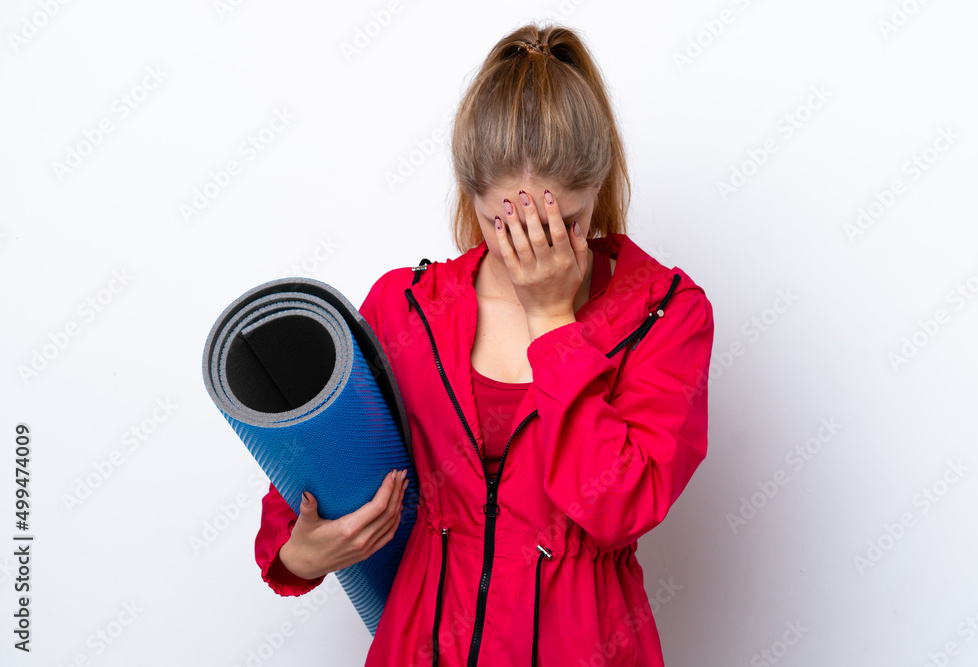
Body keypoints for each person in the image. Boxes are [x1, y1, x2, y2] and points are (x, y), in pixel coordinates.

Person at [254, 21, 714, 667]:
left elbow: (618, 505)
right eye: (509, 223)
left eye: (564, 223)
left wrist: (553, 321)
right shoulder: (405, 308)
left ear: (597, 190)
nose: (536, 246)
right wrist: (299, 552)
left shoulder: (668, 313)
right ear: (471, 198)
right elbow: (309, 478)